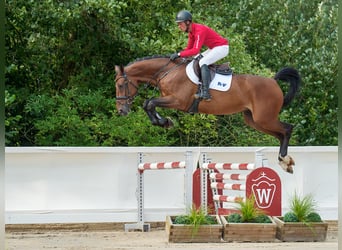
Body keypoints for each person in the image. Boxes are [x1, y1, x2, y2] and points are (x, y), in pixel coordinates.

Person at [170, 10, 229, 101]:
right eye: (178, 24)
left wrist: (179, 54)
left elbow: (195, 50)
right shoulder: (191, 33)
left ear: (188, 22)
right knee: (196, 60)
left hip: (222, 48)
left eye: (180, 24)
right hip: (213, 48)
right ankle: (199, 88)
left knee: (203, 61)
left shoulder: (199, 30)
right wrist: (178, 55)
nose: (179, 26)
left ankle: (206, 93)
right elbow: (188, 49)